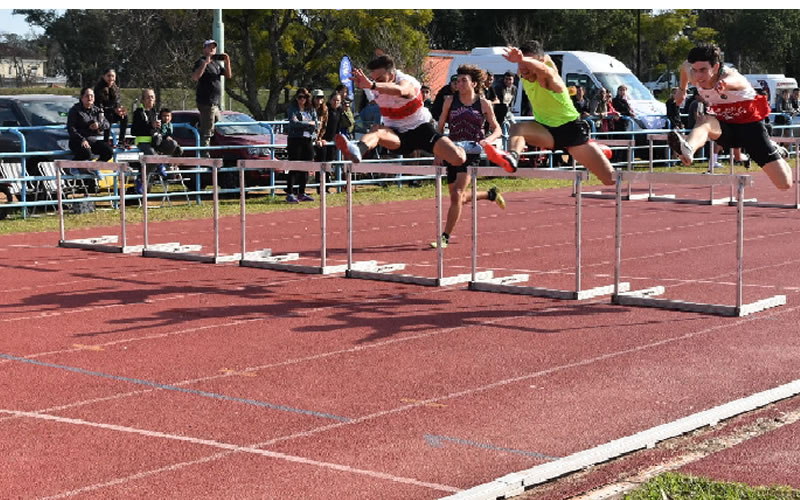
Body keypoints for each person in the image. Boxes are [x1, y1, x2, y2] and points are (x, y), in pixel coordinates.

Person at [668, 43, 791, 190]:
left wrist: (724, 84)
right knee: (705, 120)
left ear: (715, 67)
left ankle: (775, 150)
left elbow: (737, 81)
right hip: (724, 126)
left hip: (750, 128)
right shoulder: (694, 75)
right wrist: (682, 90)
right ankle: (688, 150)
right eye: (695, 70)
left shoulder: (730, 76)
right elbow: (684, 66)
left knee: (784, 184)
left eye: (703, 70)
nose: (699, 76)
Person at [497, 43, 615, 185]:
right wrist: (522, 60)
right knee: (517, 129)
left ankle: (597, 149)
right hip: (546, 131)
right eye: (519, 65)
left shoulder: (552, 79)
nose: (522, 68)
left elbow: (544, 69)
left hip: (571, 131)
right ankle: (512, 158)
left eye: (526, 64)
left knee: (610, 179)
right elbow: (543, 59)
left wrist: (524, 59)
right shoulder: (523, 73)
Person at [333, 54, 468, 170]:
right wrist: (366, 86)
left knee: (458, 158)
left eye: (379, 79)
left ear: (392, 75)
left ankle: (460, 147)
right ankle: (358, 150)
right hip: (397, 135)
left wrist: (373, 85)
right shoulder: (371, 88)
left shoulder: (408, 81)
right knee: (377, 130)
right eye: (373, 79)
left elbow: (401, 90)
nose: (375, 83)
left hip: (421, 129)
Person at [432, 64, 506, 249]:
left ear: (474, 84)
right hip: (452, 151)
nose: (460, 84)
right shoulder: (449, 101)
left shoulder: (483, 103)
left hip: (472, 153)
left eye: (464, 80)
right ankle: (490, 194)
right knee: (458, 198)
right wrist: (438, 151)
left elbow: (497, 129)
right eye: (458, 81)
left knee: (457, 195)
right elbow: (439, 128)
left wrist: (486, 140)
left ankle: (444, 237)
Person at [190, 39, 231, 157]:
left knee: (216, 121)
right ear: (204, 49)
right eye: (209, 47)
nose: (212, 49)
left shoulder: (216, 63)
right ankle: (204, 154)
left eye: (214, 47)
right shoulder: (201, 61)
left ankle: (200, 127)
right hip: (206, 101)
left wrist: (227, 61)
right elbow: (195, 77)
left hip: (214, 102)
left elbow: (228, 75)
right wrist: (205, 64)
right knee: (208, 131)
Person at [285, 87, 317, 203]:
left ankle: (302, 192)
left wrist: (311, 128)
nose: (302, 99)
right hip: (295, 139)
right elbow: (293, 123)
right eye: (300, 97)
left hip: (307, 139)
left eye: (305, 97)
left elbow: (316, 124)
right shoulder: (292, 109)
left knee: (306, 166)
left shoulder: (311, 109)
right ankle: (290, 193)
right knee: (295, 166)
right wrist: (308, 123)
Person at [67, 87, 112, 163]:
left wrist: (99, 125)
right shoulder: (75, 110)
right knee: (87, 154)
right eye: (87, 96)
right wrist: (82, 139)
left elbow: (107, 123)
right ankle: (70, 167)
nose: (90, 98)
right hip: (77, 141)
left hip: (92, 140)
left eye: (92, 96)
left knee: (108, 151)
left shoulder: (97, 110)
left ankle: (94, 169)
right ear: (82, 97)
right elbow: (71, 128)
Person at [93, 68, 128, 147]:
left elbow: (117, 102)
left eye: (113, 76)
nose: (111, 78)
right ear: (104, 76)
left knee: (124, 116)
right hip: (101, 114)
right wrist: (113, 109)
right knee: (109, 115)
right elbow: (99, 105)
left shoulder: (115, 88)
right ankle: (106, 141)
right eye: (109, 76)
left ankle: (121, 140)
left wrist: (119, 109)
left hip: (112, 112)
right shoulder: (99, 88)